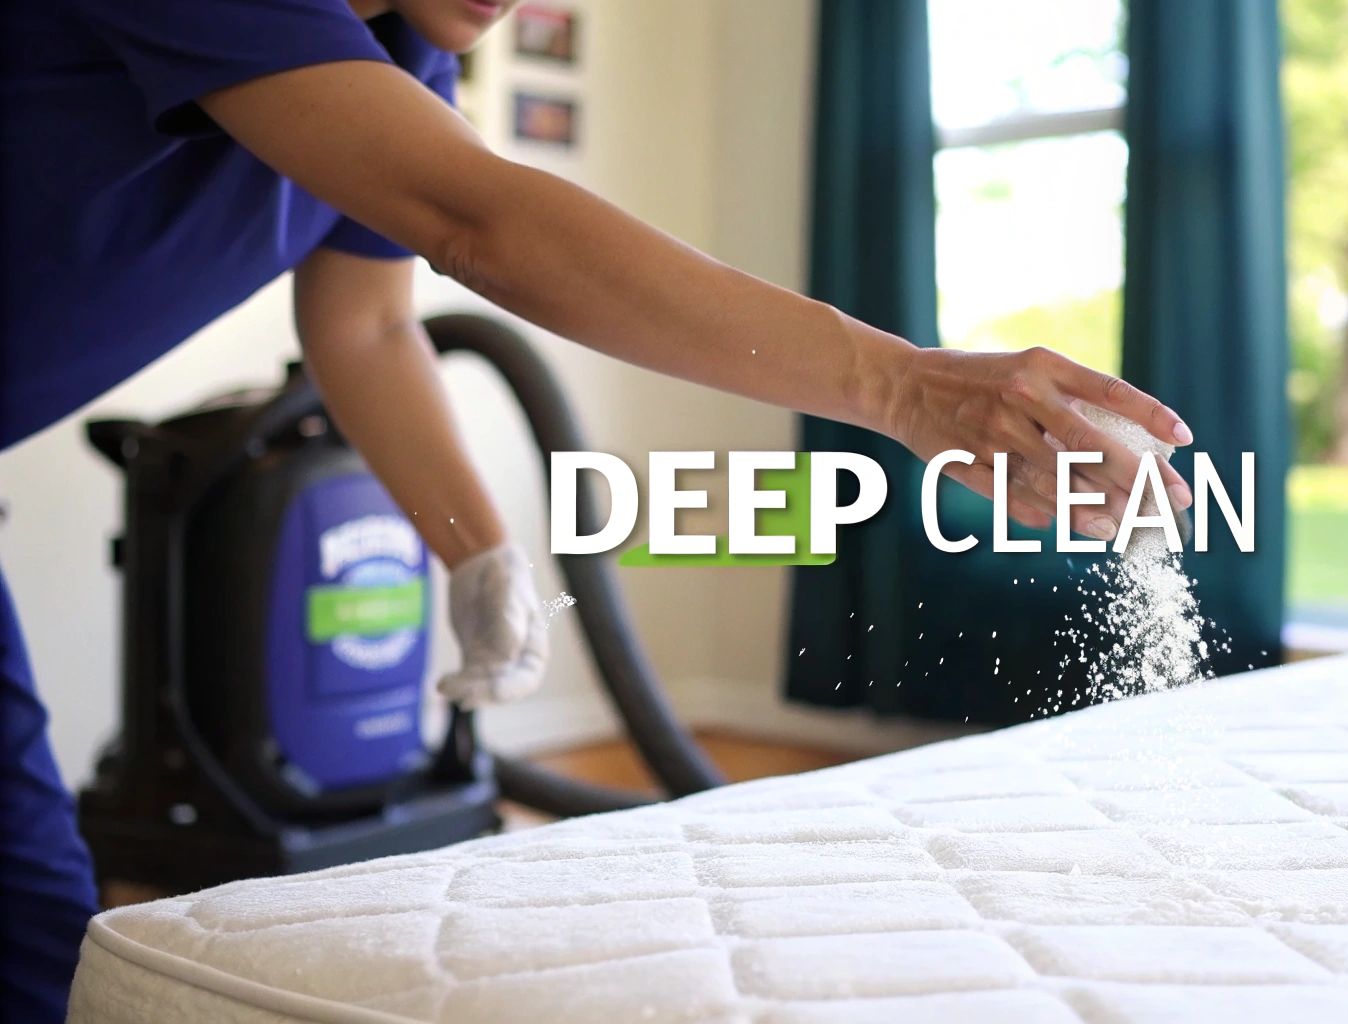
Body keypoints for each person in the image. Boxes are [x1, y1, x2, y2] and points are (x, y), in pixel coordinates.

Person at [0, 1, 1196, 1017]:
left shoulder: (402, 62)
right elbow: (478, 220)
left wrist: (479, 557)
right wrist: (904, 386)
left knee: (33, 931)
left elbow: (363, 325)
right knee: (35, 925)